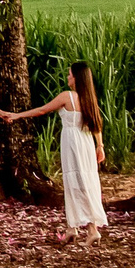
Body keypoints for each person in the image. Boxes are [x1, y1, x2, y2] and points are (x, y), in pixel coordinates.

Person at [9, 61, 108, 243]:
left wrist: (17, 115)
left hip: (73, 143)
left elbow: (42, 110)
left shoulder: (67, 96)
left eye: (70, 74)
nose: (68, 77)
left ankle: (92, 229)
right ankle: (72, 227)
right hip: (86, 143)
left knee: (78, 182)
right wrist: (99, 146)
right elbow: (97, 124)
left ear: (77, 78)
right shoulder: (88, 99)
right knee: (82, 181)